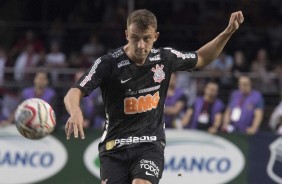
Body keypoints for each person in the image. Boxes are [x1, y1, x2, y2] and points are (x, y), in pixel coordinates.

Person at [64, 9, 244, 184]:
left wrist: (227, 32)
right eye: (135, 38)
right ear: (126, 34)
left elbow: (202, 58)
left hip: (150, 144)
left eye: (146, 38)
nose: (141, 45)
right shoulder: (108, 63)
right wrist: (75, 111)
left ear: (155, 37)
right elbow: (74, 91)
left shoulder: (165, 58)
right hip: (114, 147)